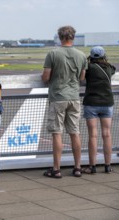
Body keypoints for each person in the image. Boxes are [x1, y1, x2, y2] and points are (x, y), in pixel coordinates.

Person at [42, 26, 87, 178]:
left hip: (58, 97)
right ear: (73, 37)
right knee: (75, 132)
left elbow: (46, 77)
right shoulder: (81, 55)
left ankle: (56, 168)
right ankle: (78, 167)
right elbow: (82, 78)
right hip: (74, 97)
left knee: (57, 133)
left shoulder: (53, 54)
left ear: (60, 37)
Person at [82, 46, 116, 174]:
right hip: (107, 103)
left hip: (91, 103)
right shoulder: (109, 68)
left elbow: (82, 74)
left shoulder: (89, 68)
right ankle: (108, 166)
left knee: (93, 135)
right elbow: (113, 68)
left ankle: (92, 166)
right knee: (106, 134)